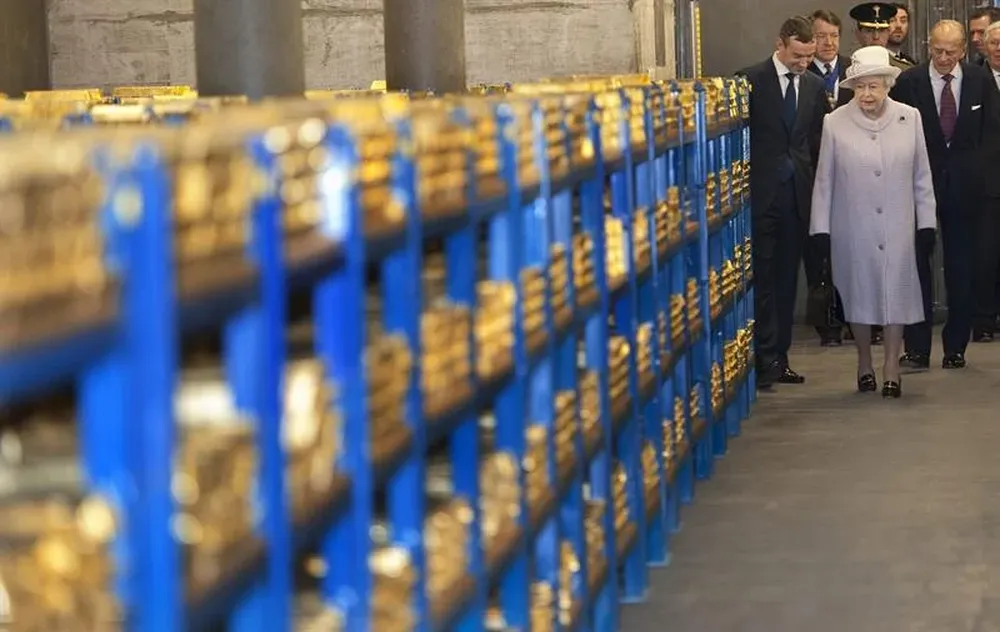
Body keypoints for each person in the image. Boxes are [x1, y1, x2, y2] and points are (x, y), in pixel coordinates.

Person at [809, 46, 936, 398]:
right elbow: (824, 180)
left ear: (887, 86)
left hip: (898, 224)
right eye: (860, 87)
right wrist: (820, 229)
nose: (866, 94)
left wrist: (926, 223)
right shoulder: (834, 122)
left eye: (874, 87)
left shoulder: (909, 117)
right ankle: (864, 361)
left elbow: (921, 176)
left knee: (897, 294)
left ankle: (891, 367)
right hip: (852, 225)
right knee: (859, 295)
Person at [889, 20, 997, 370]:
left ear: (964, 49)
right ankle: (917, 346)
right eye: (938, 50)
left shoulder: (980, 81)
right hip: (919, 185)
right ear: (928, 46)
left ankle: (956, 346)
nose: (944, 57)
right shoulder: (909, 82)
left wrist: (980, 174)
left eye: (951, 51)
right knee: (917, 264)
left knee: (962, 268)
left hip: (968, 190)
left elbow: (993, 133)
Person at [738, 16, 830, 388]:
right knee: (761, 279)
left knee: (787, 281)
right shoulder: (749, 81)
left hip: (797, 199)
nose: (803, 63)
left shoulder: (813, 85)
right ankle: (761, 358)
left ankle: (781, 358)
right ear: (780, 44)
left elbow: (817, 140)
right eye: (797, 55)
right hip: (761, 197)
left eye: (808, 57)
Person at [806, 9, 852, 347]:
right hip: (813, 172)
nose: (828, 43)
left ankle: (857, 316)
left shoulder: (854, 70)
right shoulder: (802, 70)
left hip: (852, 175)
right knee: (818, 252)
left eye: (833, 36)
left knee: (852, 249)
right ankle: (827, 323)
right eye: (821, 36)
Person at [972, 21, 1000, 341]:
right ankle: (982, 319)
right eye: (994, 42)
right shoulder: (975, 79)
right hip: (986, 182)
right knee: (985, 254)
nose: (999, 48)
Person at [887, 3, 919, 67]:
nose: (899, 25)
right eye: (892, 20)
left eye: (903, 21)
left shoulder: (910, 63)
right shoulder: (877, 60)